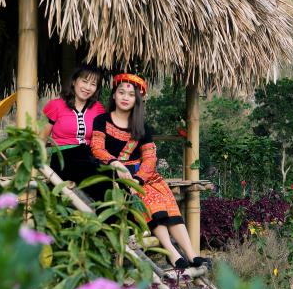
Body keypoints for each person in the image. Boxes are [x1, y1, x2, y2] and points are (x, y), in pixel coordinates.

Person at [90, 73, 206, 269]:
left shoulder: (142, 127)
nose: (125, 97)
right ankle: (172, 252)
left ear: (137, 99)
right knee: (149, 201)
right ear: (114, 96)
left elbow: (150, 158)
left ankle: (192, 254)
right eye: (121, 92)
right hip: (113, 174)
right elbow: (97, 149)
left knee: (163, 198)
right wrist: (117, 164)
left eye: (131, 94)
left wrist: (139, 179)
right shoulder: (102, 120)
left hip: (141, 176)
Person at [41, 65, 106, 201]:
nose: (88, 87)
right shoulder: (56, 105)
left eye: (93, 84)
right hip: (64, 158)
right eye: (84, 81)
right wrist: (39, 166)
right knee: (100, 182)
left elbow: (102, 137)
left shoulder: (98, 108)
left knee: (108, 177)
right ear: (74, 81)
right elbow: (42, 138)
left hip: (88, 157)